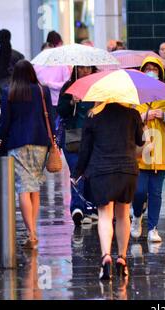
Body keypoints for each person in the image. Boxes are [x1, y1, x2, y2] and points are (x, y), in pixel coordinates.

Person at [72, 103, 145, 280]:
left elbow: (85, 149)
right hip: (127, 170)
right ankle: (121, 258)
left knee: (105, 215)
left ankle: (106, 257)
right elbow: (140, 142)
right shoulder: (132, 114)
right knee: (123, 215)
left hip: (101, 171)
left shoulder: (92, 116)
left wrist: (77, 173)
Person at [0, 60, 56, 249]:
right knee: (35, 186)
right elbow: (50, 117)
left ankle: (31, 233)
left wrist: (1, 140)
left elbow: (5, 123)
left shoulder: (9, 92)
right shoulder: (42, 90)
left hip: (17, 144)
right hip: (40, 142)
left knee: (23, 187)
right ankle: (33, 232)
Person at [131, 56, 165, 244]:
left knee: (156, 193)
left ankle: (153, 228)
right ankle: (136, 216)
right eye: (148, 68)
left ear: (160, 72)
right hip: (140, 151)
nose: (152, 71)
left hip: (160, 151)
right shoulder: (135, 94)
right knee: (140, 191)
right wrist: (143, 115)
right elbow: (129, 117)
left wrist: (164, 115)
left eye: (155, 69)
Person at [57, 66, 98, 226]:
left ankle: (89, 208)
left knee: (90, 173)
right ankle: (77, 208)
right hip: (72, 138)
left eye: (88, 68)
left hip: (93, 137)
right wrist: (71, 101)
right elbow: (61, 110)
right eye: (81, 68)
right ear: (76, 69)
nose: (85, 71)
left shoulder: (97, 86)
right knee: (77, 171)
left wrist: (97, 106)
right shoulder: (69, 87)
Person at [34, 33, 71, 116]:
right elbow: (33, 84)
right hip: (41, 103)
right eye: (45, 53)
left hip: (57, 103)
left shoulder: (62, 65)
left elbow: (67, 84)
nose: (47, 55)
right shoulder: (36, 67)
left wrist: (50, 84)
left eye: (50, 53)